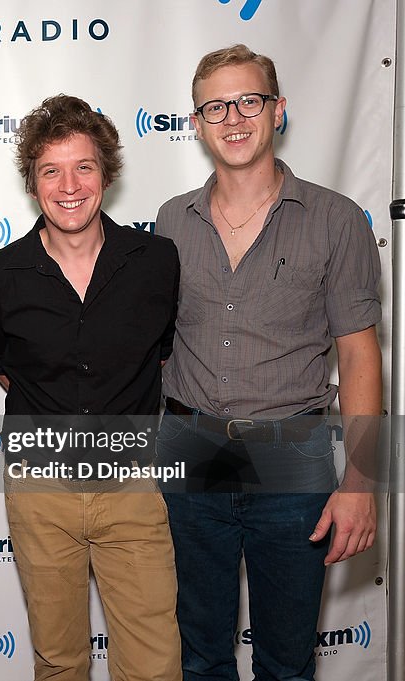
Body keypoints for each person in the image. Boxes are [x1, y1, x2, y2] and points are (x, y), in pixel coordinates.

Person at [154, 44, 381, 681]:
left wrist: (362, 484)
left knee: (286, 662)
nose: (233, 117)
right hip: (192, 450)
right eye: (215, 106)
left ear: (277, 110)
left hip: (293, 455)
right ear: (196, 122)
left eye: (248, 100)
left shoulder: (337, 221)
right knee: (200, 658)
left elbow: (360, 355)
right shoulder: (171, 222)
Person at [0, 94, 182, 681]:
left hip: (133, 482)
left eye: (83, 166)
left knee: (154, 661)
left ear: (106, 174)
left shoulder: (155, 261)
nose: (69, 185)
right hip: (39, 485)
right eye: (51, 170)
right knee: (58, 660)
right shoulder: (1, 273)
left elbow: (160, 353)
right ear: (33, 183)